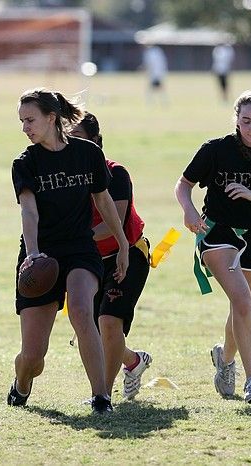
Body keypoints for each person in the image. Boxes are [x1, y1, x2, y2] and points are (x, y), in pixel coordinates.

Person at [9, 88, 129, 413]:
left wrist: (122, 244)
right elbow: (28, 211)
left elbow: (103, 201)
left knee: (80, 308)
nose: (25, 128)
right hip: (41, 257)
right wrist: (33, 254)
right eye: (22, 121)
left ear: (52, 118)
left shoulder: (87, 153)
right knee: (33, 358)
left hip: (79, 250)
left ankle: (101, 397)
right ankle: (21, 383)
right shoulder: (25, 162)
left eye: (30, 120)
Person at [174, 90, 251, 404]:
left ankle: (225, 357)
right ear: (236, 121)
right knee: (242, 302)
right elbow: (183, 184)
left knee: (244, 310)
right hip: (217, 233)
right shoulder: (216, 150)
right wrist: (188, 210)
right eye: (246, 121)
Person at [69, 112, 152, 401]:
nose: (70, 143)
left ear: (95, 142)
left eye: (76, 137)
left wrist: (69, 238)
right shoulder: (62, 180)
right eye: (65, 137)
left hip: (127, 253)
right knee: (93, 330)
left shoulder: (115, 174)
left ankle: (101, 395)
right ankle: (133, 362)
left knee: (107, 322)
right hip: (86, 260)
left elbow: (111, 224)